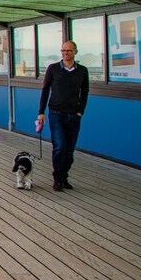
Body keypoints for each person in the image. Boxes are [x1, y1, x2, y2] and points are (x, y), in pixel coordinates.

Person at [38, 40, 89, 191]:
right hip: (56, 114)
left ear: (75, 52)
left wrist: (81, 111)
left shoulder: (82, 71)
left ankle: (63, 176)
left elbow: (85, 92)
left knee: (69, 150)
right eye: (63, 50)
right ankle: (58, 178)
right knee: (59, 147)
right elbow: (45, 90)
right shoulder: (53, 68)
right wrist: (41, 112)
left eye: (68, 51)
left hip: (73, 115)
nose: (65, 53)